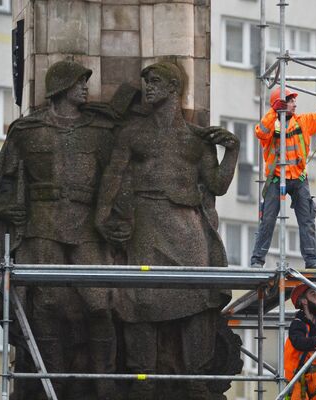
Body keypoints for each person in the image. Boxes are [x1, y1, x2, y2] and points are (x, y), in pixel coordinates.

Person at [96, 62, 242, 399]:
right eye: (145, 82)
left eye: (155, 82)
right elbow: (111, 180)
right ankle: (143, 376)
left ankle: (194, 378)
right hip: (146, 221)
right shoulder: (133, 133)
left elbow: (218, 186)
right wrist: (103, 218)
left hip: (186, 226)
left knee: (196, 296)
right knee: (139, 298)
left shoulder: (195, 138)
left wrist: (232, 151)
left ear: (174, 87)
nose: (147, 87)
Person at [0, 60, 117, 400]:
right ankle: (52, 379)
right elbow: (5, 182)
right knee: (44, 304)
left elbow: (118, 181)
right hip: (41, 227)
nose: (85, 88)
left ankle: (103, 379)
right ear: (60, 88)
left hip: (87, 228)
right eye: (79, 82)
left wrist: (116, 219)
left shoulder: (99, 131)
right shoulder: (26, 131)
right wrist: (6, 206)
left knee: (99, 302)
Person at [250, 82, 316, 268]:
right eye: (290, 101)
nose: (294, 104)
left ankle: (311, 260)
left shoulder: (303, 122)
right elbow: (261, 132)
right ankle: (257, 260)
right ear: (280, 104)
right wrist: (273, 112)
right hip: (276, 178)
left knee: (306, 220)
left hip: (298, 178)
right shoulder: (271, 124)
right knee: (268, 220)